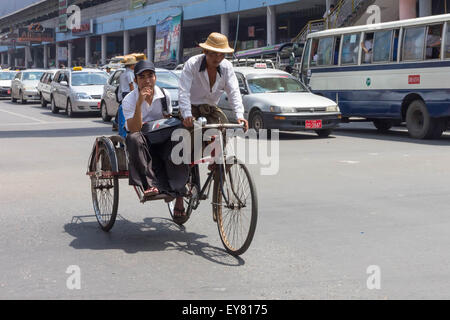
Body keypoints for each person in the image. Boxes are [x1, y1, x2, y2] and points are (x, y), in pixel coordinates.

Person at [122, 60, 189, 218]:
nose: (147, 80)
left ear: (155, 77)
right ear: (136, 80)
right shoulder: (129, 100)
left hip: (162, 137)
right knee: (133, 138)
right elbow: (134, 128)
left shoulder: (164, 95)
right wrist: (139, 104)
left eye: (150, 76)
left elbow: (168, 119)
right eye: (142, 77)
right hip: (143, 139)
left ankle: (179, 189)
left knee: (182, 135)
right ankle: (151, 185)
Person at [179, 32, 248, 140]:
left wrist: (239, 115)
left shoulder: (227, 67)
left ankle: (220, 156)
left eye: (221, 54)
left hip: (211, 109)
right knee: (192, 138)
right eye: (214, 53)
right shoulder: (192, 64)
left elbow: (233, 91)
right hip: (192, 109)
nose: (218, 58)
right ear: (205, 51)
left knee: (223, 131)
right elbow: (184, 92)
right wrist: (187, 114)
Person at [113, 56, 137, 131]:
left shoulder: (123, 73)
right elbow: (131, 84)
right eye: (134, 64)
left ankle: (116, 122)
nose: (135, 66)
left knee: (122, 109)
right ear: (131, 65)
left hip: (123, 93)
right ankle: (121, 123)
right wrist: (134, 94)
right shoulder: (129, 73)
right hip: (128, 92)